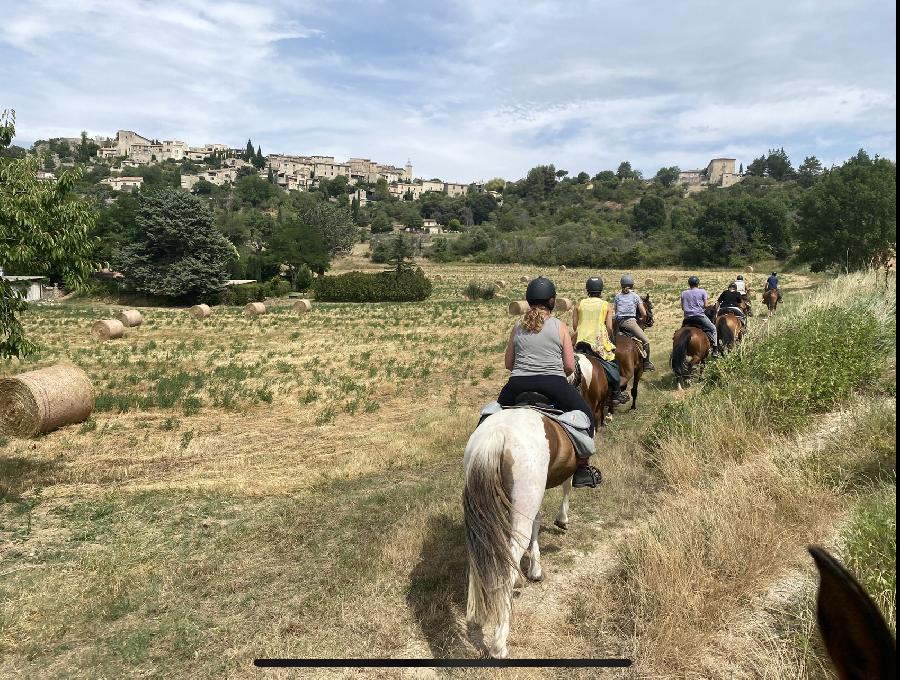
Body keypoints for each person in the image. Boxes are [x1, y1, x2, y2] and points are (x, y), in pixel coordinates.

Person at [499, 276, 601, 488]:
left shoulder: (517, 326)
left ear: (528, 300)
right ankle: (582, 468)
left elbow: (509, 363)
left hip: (517, 384)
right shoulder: (559, 326)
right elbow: (571, 366)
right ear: (552, 302)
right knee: (587, 416)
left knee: (490, 415)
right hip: (552, 383)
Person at [573, 276, 629, 405]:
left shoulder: (579, 304)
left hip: (580, 342)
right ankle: (616, 393)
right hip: (597, 343)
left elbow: (575, 326)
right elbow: (609, 327)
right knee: (612, 363)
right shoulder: (606, 305)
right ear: (600, 290)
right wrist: (608, 337)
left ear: (588, 289)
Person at [613, 275, 655, 371]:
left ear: (621, 285)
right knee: (646, 341)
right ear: (632, 285)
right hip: (629, 322)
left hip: (617, 322)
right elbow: (644, 313)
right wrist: (641, 319)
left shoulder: (617, 296)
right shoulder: (635, 296)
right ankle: (646, 364)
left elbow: (615, 310)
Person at [681, 276, 719, 356]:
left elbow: (683, 307)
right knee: (713, 328)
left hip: (687, 318)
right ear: (698, 283)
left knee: (680, 333)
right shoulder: (702, 291)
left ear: (689, 284)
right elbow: (705, 305)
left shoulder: (683, 293)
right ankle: (715, 349)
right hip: (699, 317)